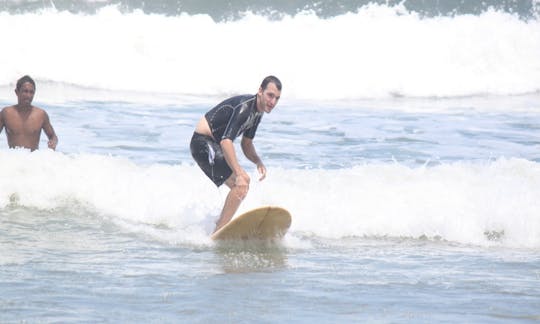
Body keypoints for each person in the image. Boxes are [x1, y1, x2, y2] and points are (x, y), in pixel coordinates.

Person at [190, 75, 282, 233]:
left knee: (241, 185)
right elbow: (226, 141)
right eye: (270, 95)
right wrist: (239, 172)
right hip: (202, 144)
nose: (272, 102)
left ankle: (219, 225)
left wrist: (258, 161)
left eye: (277, 98)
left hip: (213, 145)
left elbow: (246, 144)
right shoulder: (245, 108)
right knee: (241, 182)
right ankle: (219, 229)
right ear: (260, 91)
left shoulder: (257, 113)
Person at [0, 75, 58, 151]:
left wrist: (53, 142)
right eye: (25, 91)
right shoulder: (6, 113)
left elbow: (53, 136)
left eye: (31, 92)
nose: (28, 95)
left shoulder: (41, 115)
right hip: (13, 160)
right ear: (17, 92)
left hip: (32, 160)